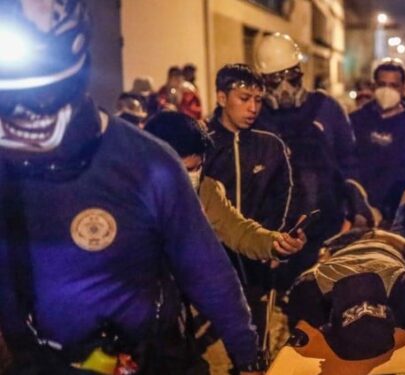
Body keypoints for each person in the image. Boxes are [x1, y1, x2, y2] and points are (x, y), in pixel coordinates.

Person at [0, 1, 260, 373]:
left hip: (143, 359)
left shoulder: (146, 164)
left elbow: (207, 272)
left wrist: (248, 357)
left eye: (37, 98)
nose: (22, 114)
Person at [254, 32, 367, 290]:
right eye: (274, 80)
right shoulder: (258, 118)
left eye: (290, 77)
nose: (284, 88)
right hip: (277, 230)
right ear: (263, 81)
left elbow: (349, 162)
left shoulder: (327, 108)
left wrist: (357, 208)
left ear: (300, 73)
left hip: (325, 224)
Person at [202, 63, 294, 369]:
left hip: (256, 257)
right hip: (210, 259)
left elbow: (283, 195)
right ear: (221, 97)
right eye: (244, 98)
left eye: (258, 99)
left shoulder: (270, 146)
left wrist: (272, 240)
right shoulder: (199, 143)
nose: (253, 107)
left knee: (254, 337)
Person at [284, 186, 405, 360]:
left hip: (346, 247)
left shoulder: (310, 296)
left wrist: (375, 236)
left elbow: (321, 260)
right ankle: (364, 217)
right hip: (391, 245)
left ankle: (362, 217)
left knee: (361, 223)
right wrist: (382, 236)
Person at [143, 111, 306, 261]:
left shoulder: (206, 191)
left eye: (197, 168)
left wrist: (276, 243)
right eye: (184, 170)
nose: (192, 177)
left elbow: (239, 231)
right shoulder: (127, 197)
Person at [349, 58, 405, 224]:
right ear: (374, 86)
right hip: (359, 217)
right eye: (382, 84)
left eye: (393, 85)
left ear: (404, 89)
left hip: (399, 219)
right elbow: (347, 166)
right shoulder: (356, 122)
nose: (387, 90)